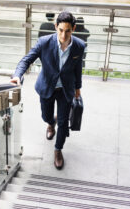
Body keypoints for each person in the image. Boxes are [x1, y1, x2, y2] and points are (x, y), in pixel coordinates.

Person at [10, 11, 85, 170]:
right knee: (46, 115)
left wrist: (78, 88)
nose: (63, 35)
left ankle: (58, 150)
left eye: (68, 31)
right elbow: (27, 59)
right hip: (47, 87)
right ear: (56, 26)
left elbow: (78, 69)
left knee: (64, 124)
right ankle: (51, 124)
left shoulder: (79, 46)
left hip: (66, 90)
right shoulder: (44, 42)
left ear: (74, 28)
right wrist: (18, 75)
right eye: (61, 30)